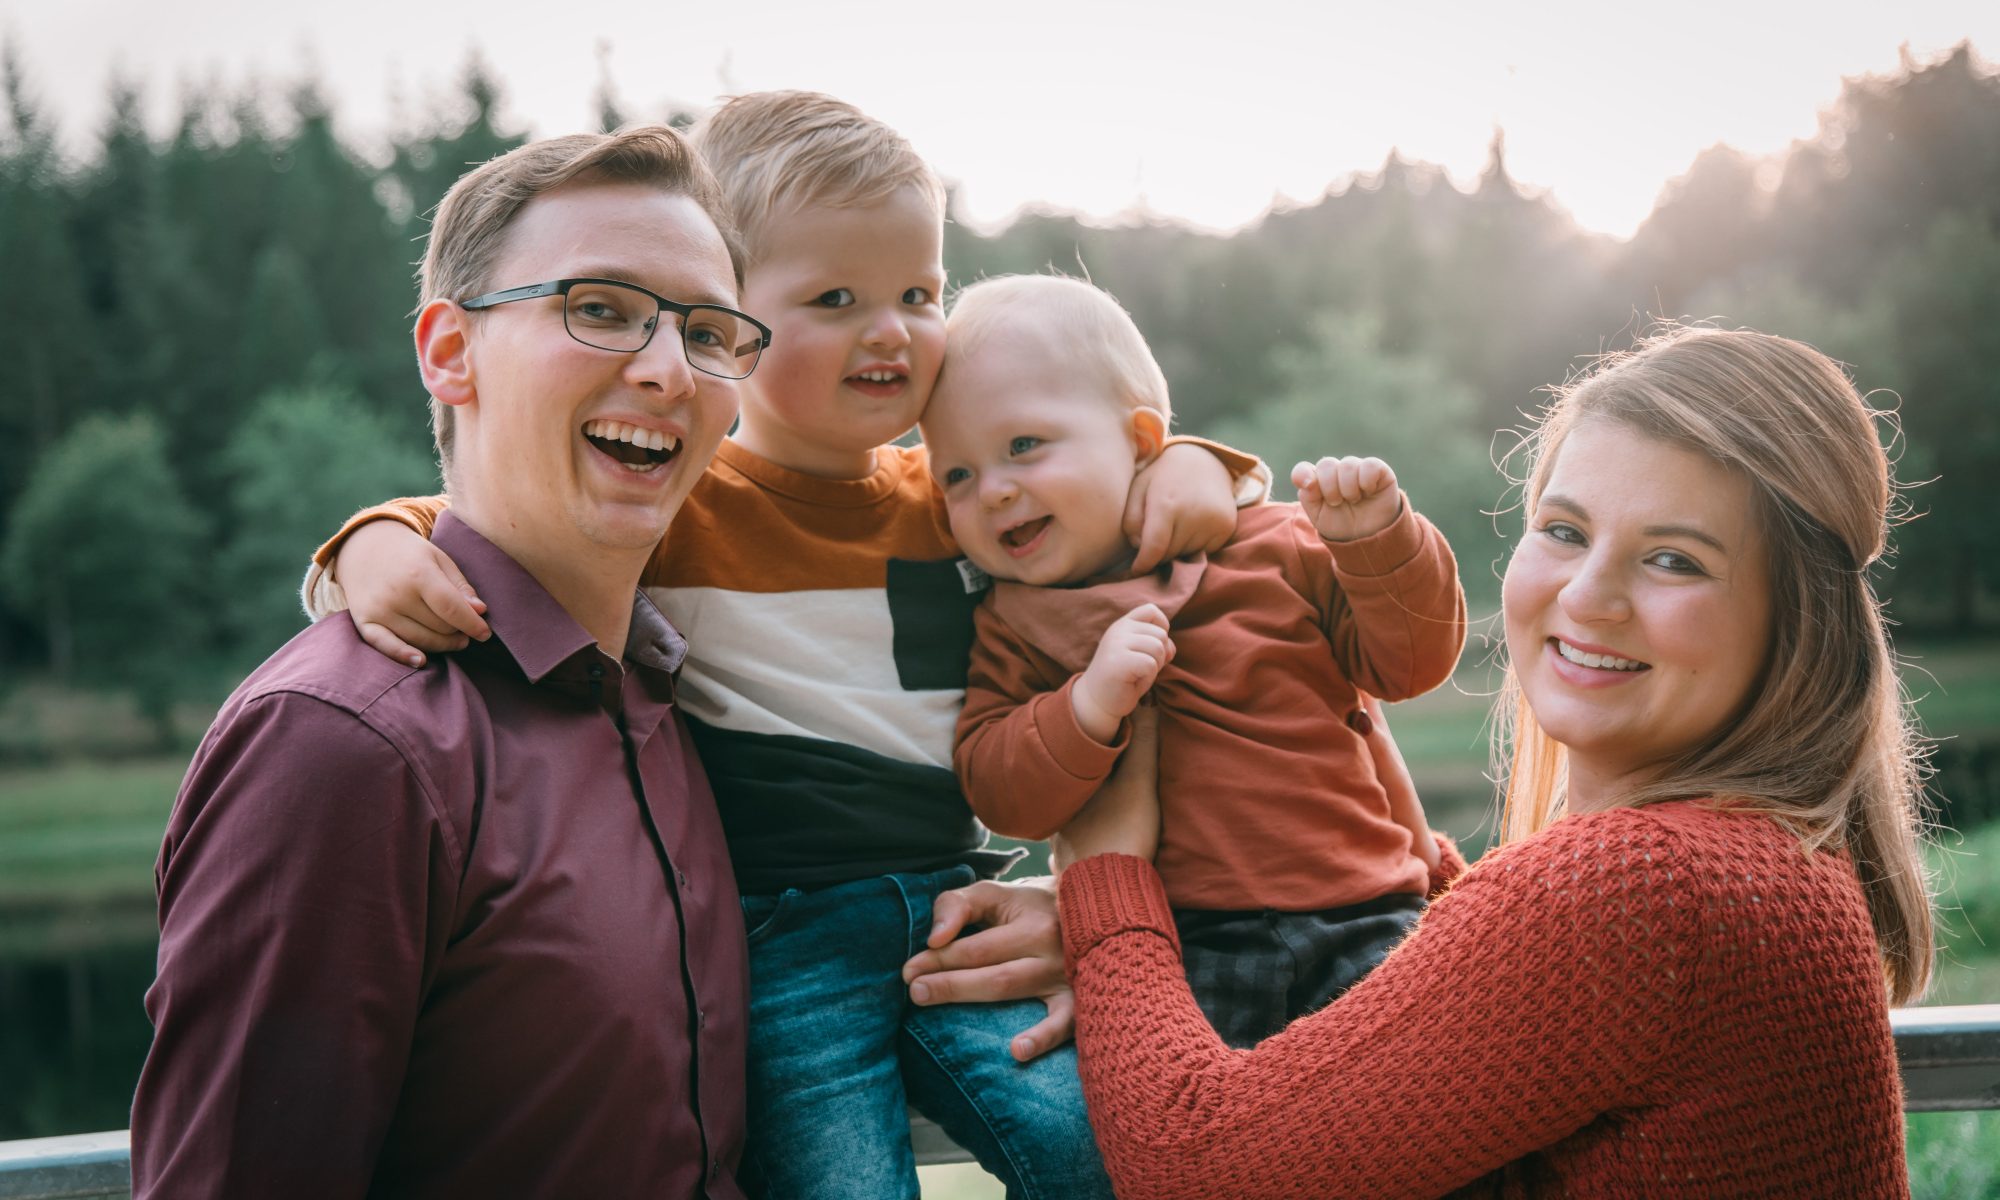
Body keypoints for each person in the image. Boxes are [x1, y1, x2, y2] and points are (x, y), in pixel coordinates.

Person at [301, 93, 1264, 1200]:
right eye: (834, 299)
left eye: (918, 292)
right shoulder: (682, 499)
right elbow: (494, 514)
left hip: (956, 910)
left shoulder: (960, 501)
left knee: (1104, 1157)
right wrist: (370, 545)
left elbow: (1120, 480)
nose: (890, 329)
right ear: (729, 325)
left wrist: (1192, 462)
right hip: (774, 944)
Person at [1018, 326, 1932, 1197]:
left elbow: (1197, 1169)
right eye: (1565, 531)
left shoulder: (1643, 887)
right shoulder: (1760, 860)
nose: (1588, 595)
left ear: (1795, 612)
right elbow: (1490, 1002)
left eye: (1672, 560)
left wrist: (1106, 878)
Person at [133, 126, 763, 1196]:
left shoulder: (686, 693)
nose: (667, 370)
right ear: (447, 352)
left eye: (707, 333)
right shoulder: (343, 744)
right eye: (599, 308)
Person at [921, 275, 1465, 1048]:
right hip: (1183, 948)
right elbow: (999, 789)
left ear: (1142, 441)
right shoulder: (1015, 624)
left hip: (1367, 912)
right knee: (1202, 1146)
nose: (996, 490)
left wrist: (1380, 542)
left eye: (1023, 446)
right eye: (957, 475)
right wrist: (1084, 708)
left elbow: (1410, 663)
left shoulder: (1276, 542)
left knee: (1419, 1130)